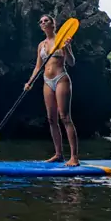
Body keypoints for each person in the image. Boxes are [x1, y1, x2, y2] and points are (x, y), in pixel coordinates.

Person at [24, 14, 79, 166]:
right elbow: (38, 66)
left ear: (53, 24)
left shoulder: (62, 40)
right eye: (40, 21)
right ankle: (59, 154)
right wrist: (30, 82)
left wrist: (67, 49)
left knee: (65, 117)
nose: (43, 23)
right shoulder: (41, 45)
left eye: (46, 20)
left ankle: (74, 157)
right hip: (47, 81)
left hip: (61, 78)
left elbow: (72, 62)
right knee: (51, 118)